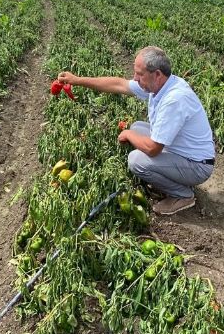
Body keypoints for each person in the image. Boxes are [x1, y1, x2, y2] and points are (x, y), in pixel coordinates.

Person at [57, 46, 215, 215]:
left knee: (136, 160)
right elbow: (119, 84)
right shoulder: (161, 84)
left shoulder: (174, 99)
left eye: (140, 74)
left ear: (157, 74)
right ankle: (172, 178)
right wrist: (77, 80)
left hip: (197, 165)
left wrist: (128, 135)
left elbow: (153, 149)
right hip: (180, 150)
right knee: (138, 127)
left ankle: (183, 195)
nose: (135, 78)